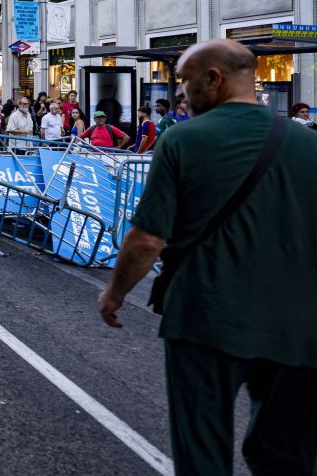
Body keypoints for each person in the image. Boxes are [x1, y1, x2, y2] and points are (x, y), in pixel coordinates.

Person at [97, 39, 317, 476]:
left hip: (206, 318)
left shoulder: (183, 140)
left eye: (185, 80)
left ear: (214, 79)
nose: (180, 92)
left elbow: (147, 239)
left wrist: (115, 294)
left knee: (202, 453)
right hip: (299, 327)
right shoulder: (307, 143)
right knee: (288, 457)